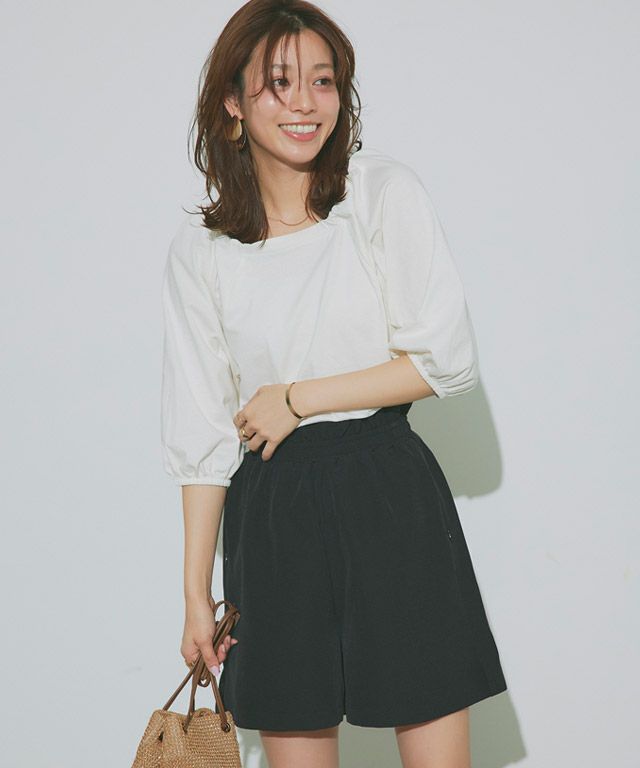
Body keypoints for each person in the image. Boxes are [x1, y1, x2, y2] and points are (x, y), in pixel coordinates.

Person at [160, 1, 508, 765]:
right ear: (233, 101)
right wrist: (194, 595)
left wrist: (296, 398)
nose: (305, 103)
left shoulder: (379, 194)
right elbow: (201, 434)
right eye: (279, 82)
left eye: (322, 81)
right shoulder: (204, 249)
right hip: (272, 513)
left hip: (390, 492)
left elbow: (444, 360)